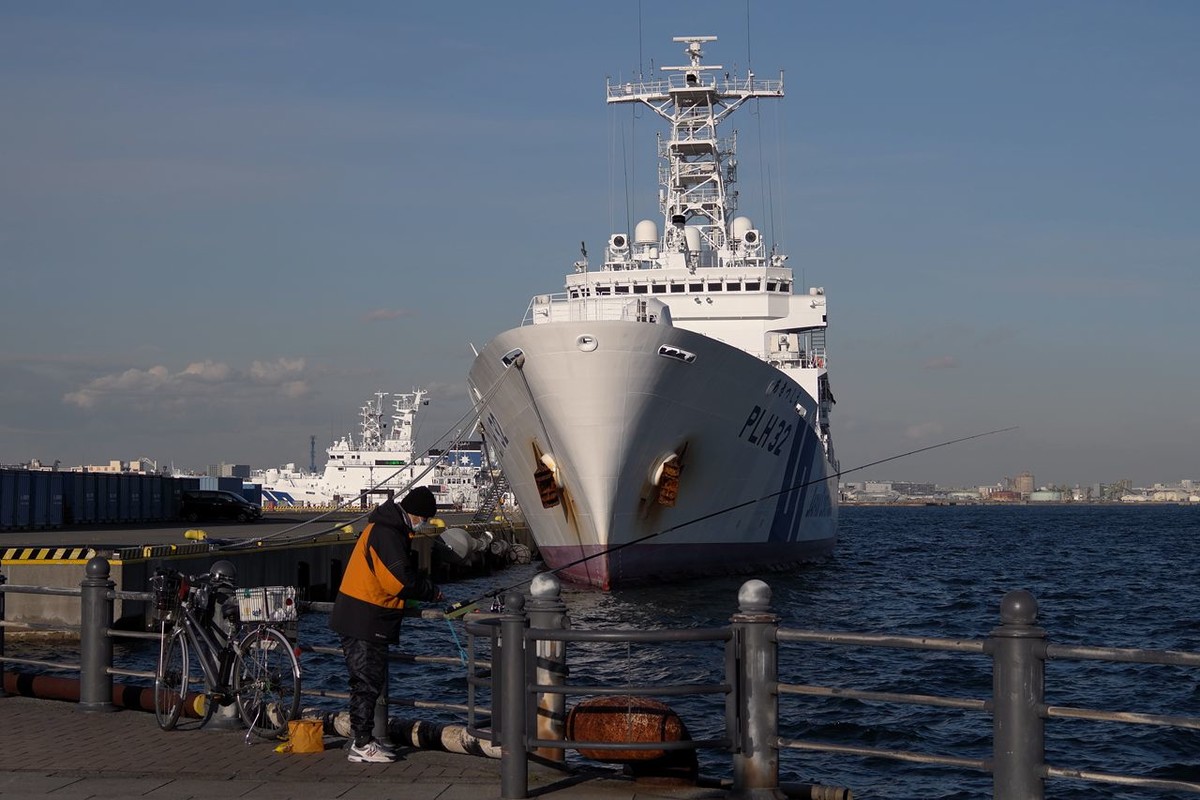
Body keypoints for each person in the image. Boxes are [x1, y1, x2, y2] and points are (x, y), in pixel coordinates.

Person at [329, 486, 442, 763]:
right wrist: (430, 592)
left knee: (365, 682)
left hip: (359, 613)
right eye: (424, 518)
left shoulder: (386, 526)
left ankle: (362, 740)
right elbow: (398, 580)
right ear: (416, 514)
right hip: (366, 617)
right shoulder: (389, 533)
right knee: (367, 683)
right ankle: (363, 743)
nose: (424, 524)